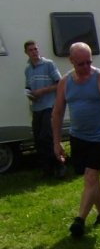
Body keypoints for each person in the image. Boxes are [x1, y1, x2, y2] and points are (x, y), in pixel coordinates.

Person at [52, 42, 100, 238]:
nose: (86, 67)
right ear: (71, 61)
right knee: (92, 178)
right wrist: (56, 142)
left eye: (89, 62)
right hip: (78, 136)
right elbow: (58, 112)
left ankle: (79, 220)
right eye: (81, 64)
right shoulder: (65, 82)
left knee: (91, 177)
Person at [23, 40, 64, 177]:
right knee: (38, 139)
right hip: (36, 108)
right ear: (26, 53)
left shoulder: (48, 64)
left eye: (35, 49)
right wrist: (31, 96)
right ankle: (47, 169)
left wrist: (43, 91)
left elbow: (60, 84)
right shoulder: (28, 70)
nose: (34, 52)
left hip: (49, 105)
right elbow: (28, 88)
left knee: (47, 137)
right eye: (31, 50)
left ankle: (60, 165)